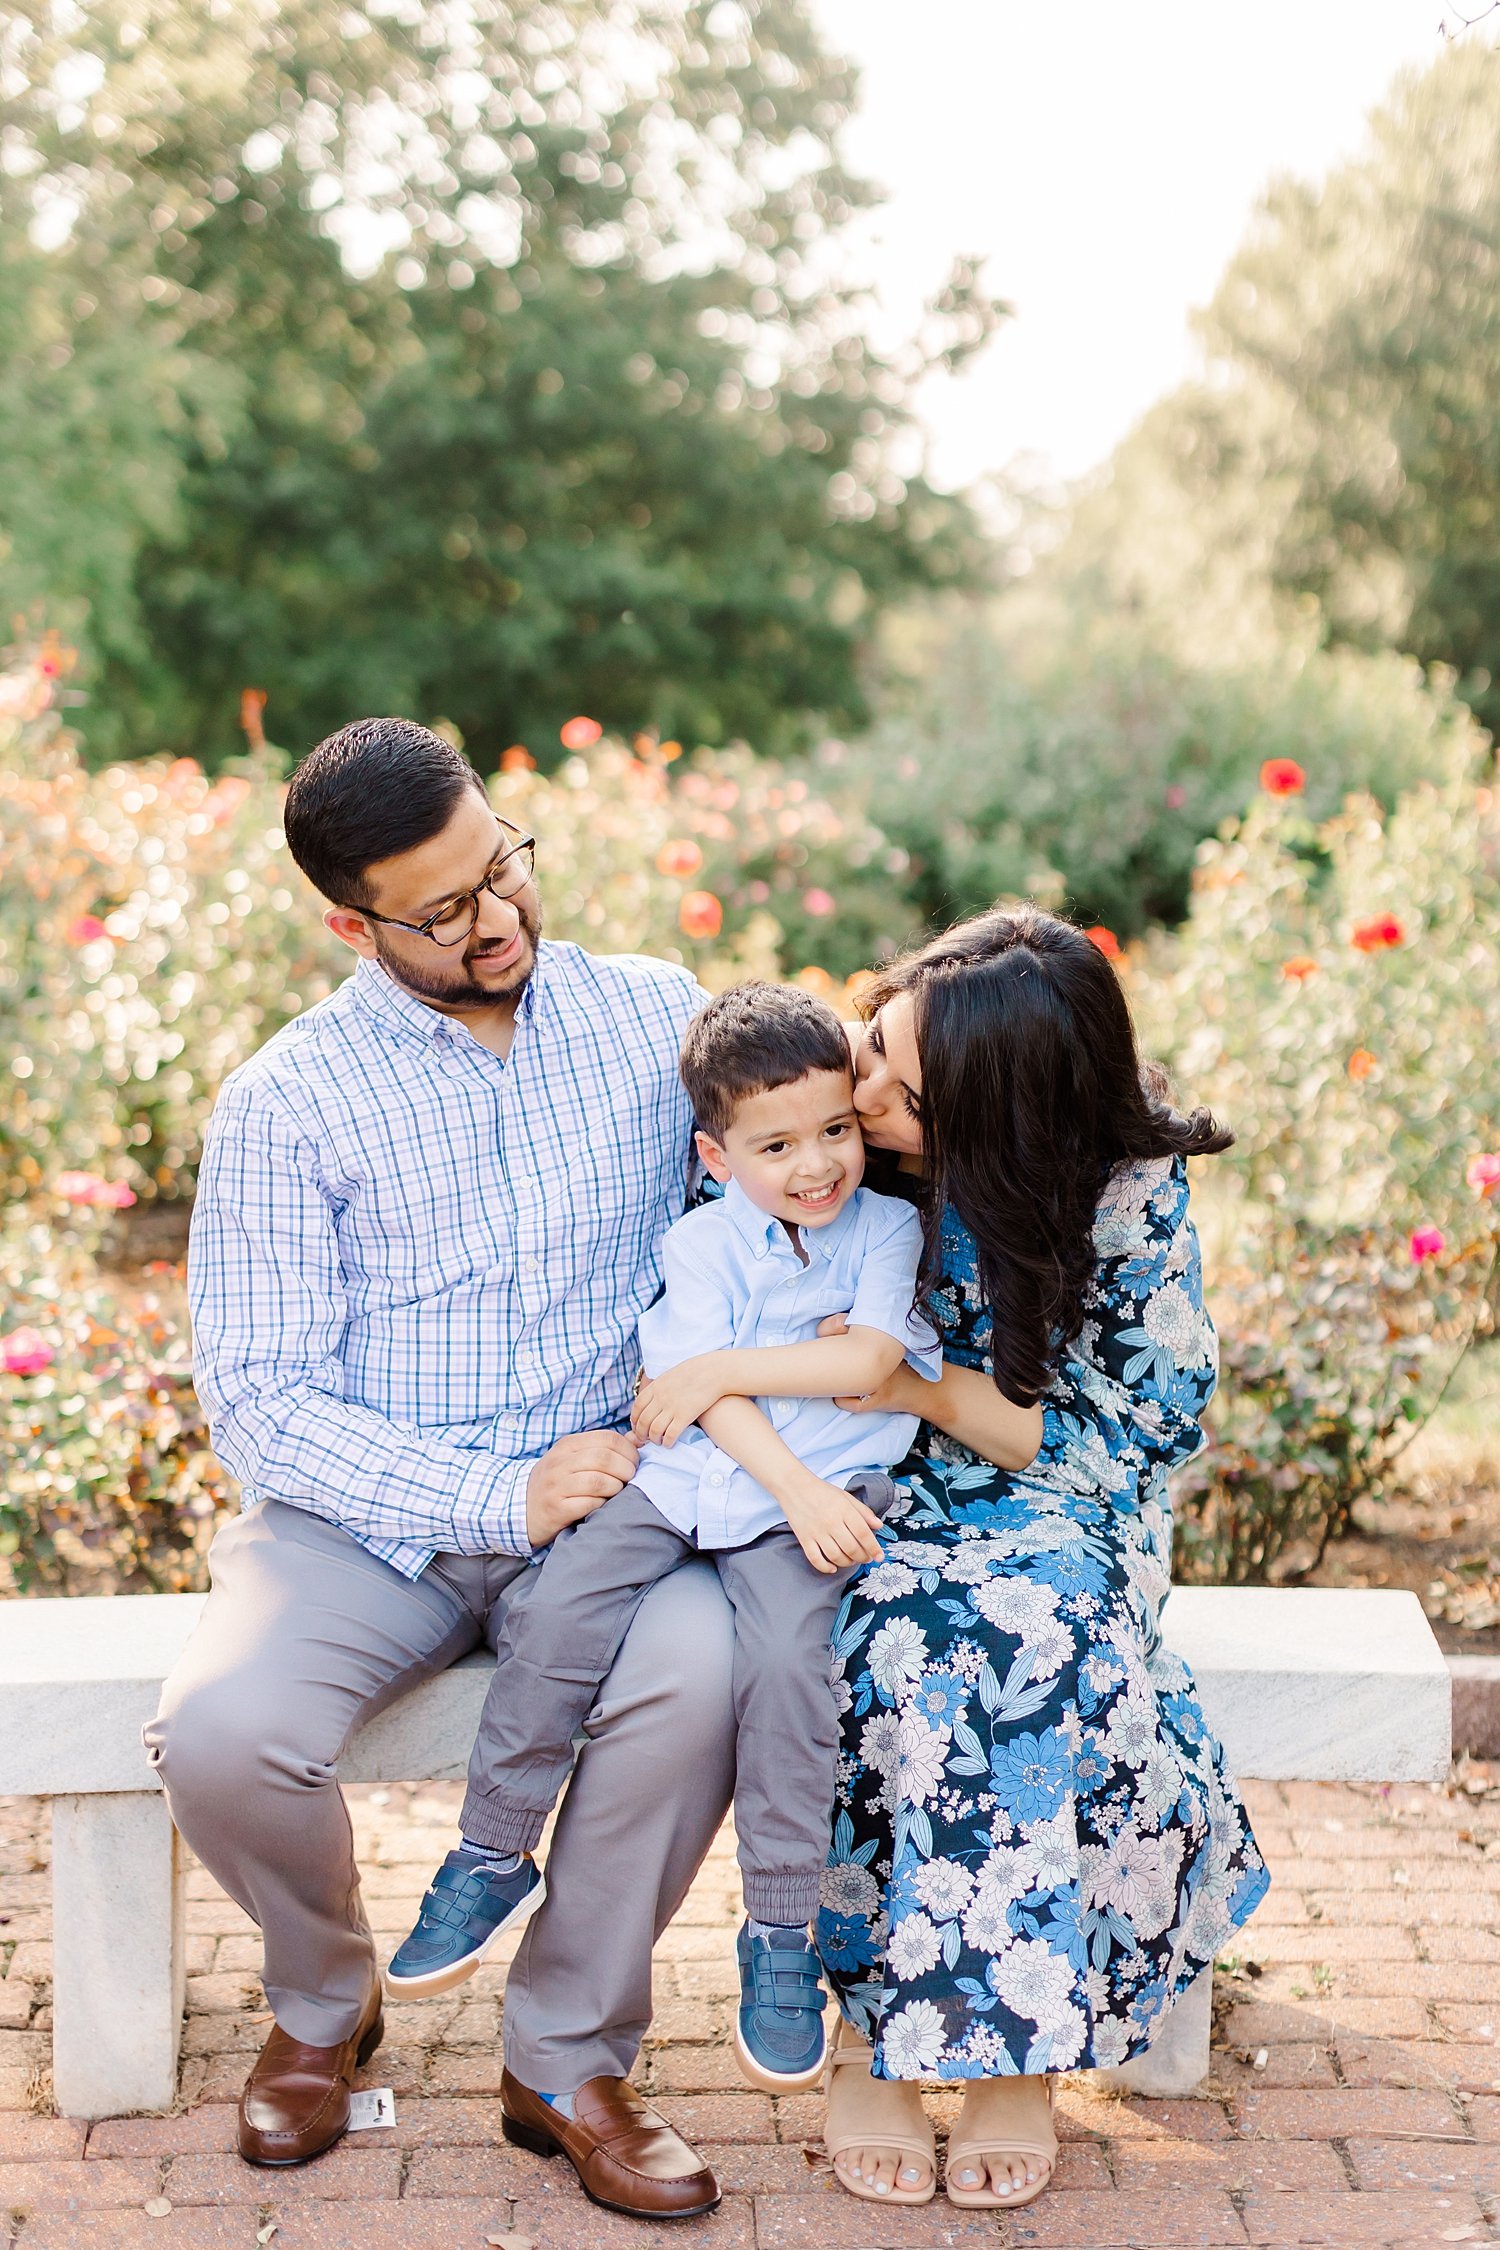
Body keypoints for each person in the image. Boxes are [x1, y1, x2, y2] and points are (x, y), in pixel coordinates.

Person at [144, 717, 739, 2223]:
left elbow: (752, 1240)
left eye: (505, 869)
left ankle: (565, 2057)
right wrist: (495, 1495)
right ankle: (325, 1998)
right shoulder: (287, 1100)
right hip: (364, 1522)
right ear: (350, 920)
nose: (501, 920)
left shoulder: (655, 1018)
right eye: (444, 909)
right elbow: (263, 1405)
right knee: (221, 1732)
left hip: (613, 1513)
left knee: (696, 1683)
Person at [386, 982, 942, 2106]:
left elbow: (872, 1359)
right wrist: (777, 1461)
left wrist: (751, 1403)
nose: (816, 1164)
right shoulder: (699, 1243)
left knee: (793, 1673)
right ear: (715, 1152)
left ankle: (780, 1932)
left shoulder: (888, 1227)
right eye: (776, 1144)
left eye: (836, 1129)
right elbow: (693, 1412)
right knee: (556, 1610)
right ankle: (493, 1847)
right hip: (696, 1480)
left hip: (821, 1498)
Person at [809, 906, 1270, 2214]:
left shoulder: (1113, 1175)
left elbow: (1144, 1422)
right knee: (860, 1620)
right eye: (880, 1041)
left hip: (1061, 1485)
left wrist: (924, 1382)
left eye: (912, 1088)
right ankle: (871, 2034)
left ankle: (1013, 2043)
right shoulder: (836, 1107)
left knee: (1026, 1628)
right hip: (860, 1471)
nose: (873, 1089)